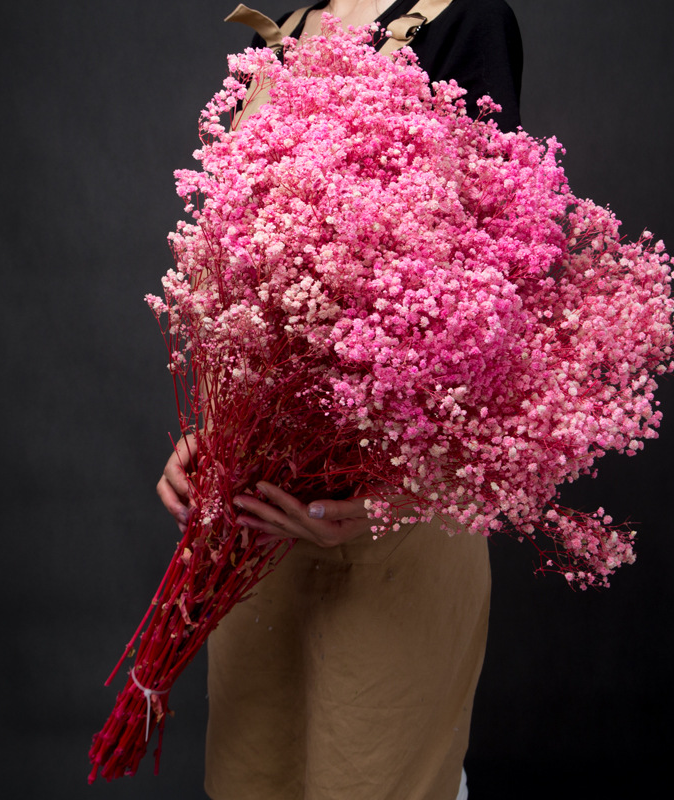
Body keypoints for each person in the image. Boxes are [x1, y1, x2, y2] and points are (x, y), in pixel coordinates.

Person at [157, 2, 522, 798]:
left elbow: (491, 289)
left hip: (385, 529)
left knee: (376, 772)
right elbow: (245, 285)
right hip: (260, 523)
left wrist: (398, 499)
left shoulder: (465, 18)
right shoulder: (282, 31)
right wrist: (216, 439)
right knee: (254, 777)